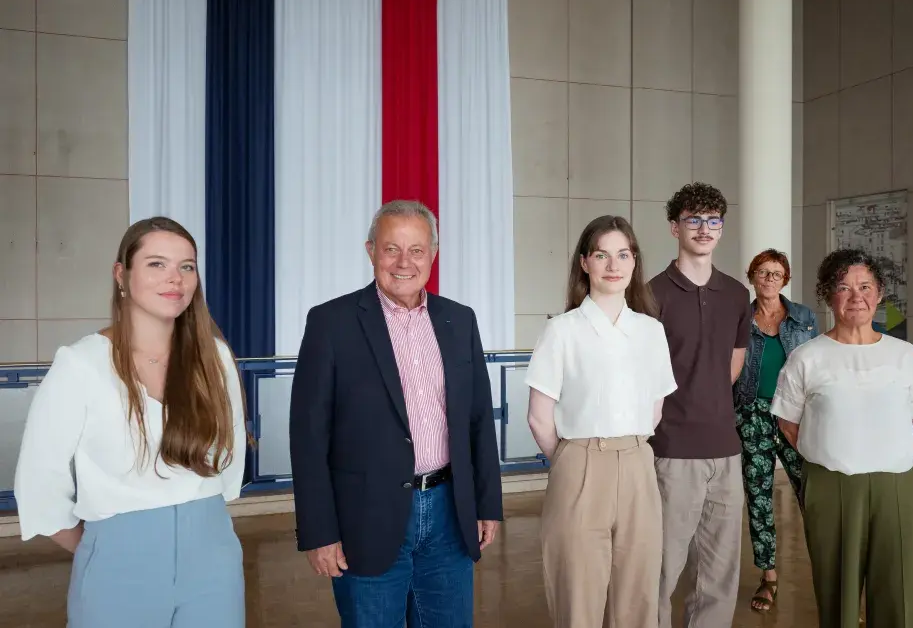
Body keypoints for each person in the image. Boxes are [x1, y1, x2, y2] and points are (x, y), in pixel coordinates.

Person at [14, 216, 248, 628]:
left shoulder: (215, 358)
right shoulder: (82, 363)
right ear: (122, 274)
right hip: (117, 564)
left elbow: (229, 463)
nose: (174, 278)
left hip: (213, 555)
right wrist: (106, 548)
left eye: (187, 266)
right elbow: (39, 482)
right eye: (156, 264)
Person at [289, 199, 504, 628]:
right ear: (371, 251)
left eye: (417, 250)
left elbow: (478, 420)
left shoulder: (459, 321)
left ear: (432, 254)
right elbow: (308, 436)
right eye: (391, 249)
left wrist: (488, 504)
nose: (404, 262)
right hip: (365, 518)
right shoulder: (331, 323)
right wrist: (319, 532)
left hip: (448, 513)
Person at [526, 215, 677, 628]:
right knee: (578, 594)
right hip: (579, 462)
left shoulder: (650, 331)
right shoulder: (562, 330)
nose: (614, 264)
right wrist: (575, 458)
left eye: (623, 254)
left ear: (634, 263)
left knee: (638, 593)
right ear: (584, 263)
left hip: (637, 464)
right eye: (602, 254)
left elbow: (655, 407)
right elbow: (539, 418)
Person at [771, 248, 913, 628]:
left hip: (897, 487)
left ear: (878, 295)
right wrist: (831, 447)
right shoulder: (807, 357)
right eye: (844, 287)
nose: (856, 296)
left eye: (865, 286)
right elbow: (789, 424)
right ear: (829, 295)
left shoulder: (904, 355)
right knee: (836, 593)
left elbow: (907, 416)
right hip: (831, 487)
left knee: (900, 591)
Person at [647, 182, 751, 628]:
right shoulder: (651, 295)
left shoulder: (736, 294)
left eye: (713, 220)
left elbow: (731, 367)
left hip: (726, 449)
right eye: (694, 219)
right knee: (660, 571)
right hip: (672, 451)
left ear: (722, 228)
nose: (704, 228)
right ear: (675, 227)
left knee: (720, 573)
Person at [733, 249, 818, 612]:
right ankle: (768, 577)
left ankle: (830, 573)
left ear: (786, 279)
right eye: (763, 273)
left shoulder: (803, 317)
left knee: (812, 496)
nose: (769, 279)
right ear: (752, 277)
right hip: (751, 413)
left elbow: (815, 365)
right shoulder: (739, 317)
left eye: (777, 273)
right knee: (759, 497)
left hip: (795, 414)